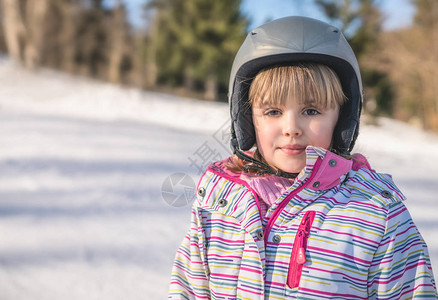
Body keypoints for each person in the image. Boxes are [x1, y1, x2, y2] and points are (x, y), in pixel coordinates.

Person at [168, 16, 437, 299]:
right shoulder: (217, 205)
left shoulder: (377, 216)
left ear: (342, 119)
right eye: (273, 111)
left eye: (311, 111)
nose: (292, 129)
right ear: (247, 120)